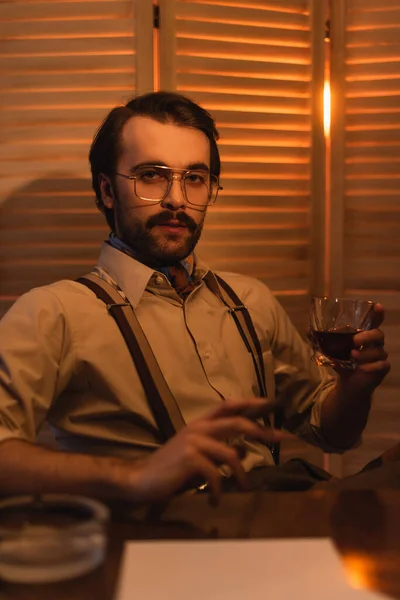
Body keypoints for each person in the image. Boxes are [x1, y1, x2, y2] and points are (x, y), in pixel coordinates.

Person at [0, 92, 392, 505]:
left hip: (267, 526)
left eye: (194, 178)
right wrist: (133, 476)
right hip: (151, 543)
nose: (177, 199)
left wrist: (354, 387)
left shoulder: (250, 299)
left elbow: (332, 434)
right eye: (151, 175)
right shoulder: (53, 311)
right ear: (108, 190)